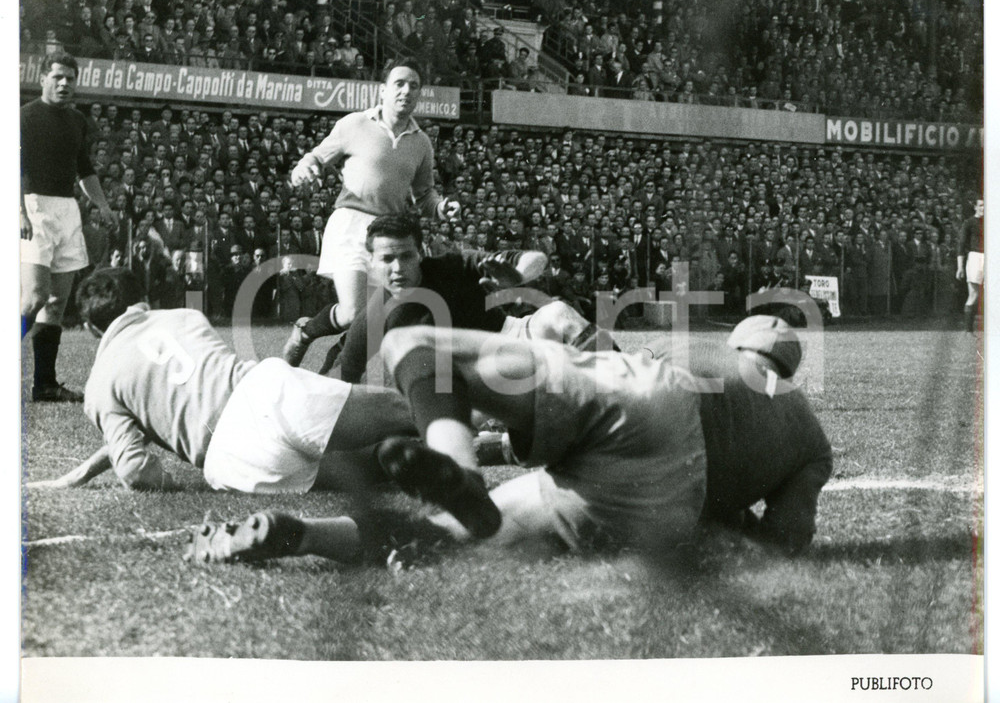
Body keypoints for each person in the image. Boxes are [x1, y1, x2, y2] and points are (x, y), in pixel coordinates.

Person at [189, 315, 832, 563]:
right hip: (664, 500)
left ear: (740, 343)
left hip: (647, 399)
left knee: (415, 346)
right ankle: (301, 534)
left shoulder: (698, 347)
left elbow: (597, 365)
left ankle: (459, 464)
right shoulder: (809, 437)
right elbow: (786, 539)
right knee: (455, 535)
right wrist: (724, 510)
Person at [28, 268, 417, 495]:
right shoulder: (182, 317)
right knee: (406, 411)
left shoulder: (98, 388)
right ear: (140, 303)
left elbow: (135, 464)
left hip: (232, 461)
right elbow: (192, 388)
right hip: (262, 394)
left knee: (379, 466)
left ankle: (436, 448)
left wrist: (178, 487)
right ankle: (470, 430)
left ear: (92, 329)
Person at [283, 58, 459, 362]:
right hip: (350, 222)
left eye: (413, 86)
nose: (406, 90)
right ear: (383, 90)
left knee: (377, 321)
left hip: (389, 234)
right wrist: (303, 169)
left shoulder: (422, 143)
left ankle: (332, 371)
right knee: (353, 313)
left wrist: (443, 208)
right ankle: (307, 332)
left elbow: (425, 196)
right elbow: (315, 158)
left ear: (419, 94)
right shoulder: (355, 124)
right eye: (399, 84)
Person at [312, 214, 602, 381]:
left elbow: (535, 258)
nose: (398, 268)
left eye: (406, 256)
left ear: (421, 253)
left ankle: (630, 388)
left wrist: (515, 277)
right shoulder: (374, 316)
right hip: (466, 382)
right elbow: (341, 379)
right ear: (371, 261)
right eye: (387, 259)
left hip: (508, 339)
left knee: (559, 313)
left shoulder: (451, 264)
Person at [21, 52, 114, 402]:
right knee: (33, 297)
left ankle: (44, 384)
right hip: (31, 205)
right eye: (57, 77)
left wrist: (101, 204)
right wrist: (18, 211)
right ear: (43, 78)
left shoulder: (76, 121)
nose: (64, 84)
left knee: (56, 303)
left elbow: (84, 168)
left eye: (70, 79)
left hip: (66, 209)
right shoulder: (24, 117)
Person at [956, 198, 984, 332]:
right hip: (975, 258)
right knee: (973, 294)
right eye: (981, 205)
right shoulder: (969, 223)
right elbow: (961, 246)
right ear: (975, 207)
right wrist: (960, 267)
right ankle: (968, 330)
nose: (984, 208)